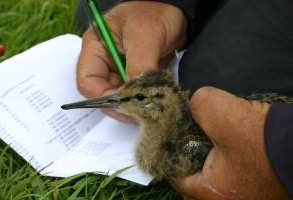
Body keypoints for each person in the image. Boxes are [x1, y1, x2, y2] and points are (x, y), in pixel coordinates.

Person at [75, 0, 293, 199]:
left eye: (140, 98)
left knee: (211, 78)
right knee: (97, 13)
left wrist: (280, 161)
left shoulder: (184, 147)